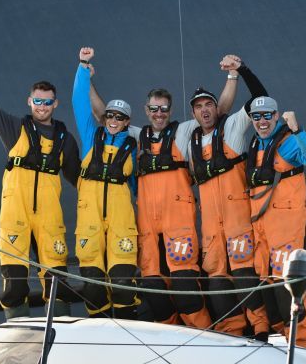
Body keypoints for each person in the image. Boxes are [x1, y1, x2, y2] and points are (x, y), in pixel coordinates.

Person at [85, 56, 240, 328]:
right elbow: (103, 114)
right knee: (152, 286)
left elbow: (218, 111)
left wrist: (232, 76)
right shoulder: (135, 134)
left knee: (185, 289)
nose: (159, 114)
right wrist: (86, 78)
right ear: (146, 110)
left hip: (178, 221)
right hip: (147, 223)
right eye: (154, 109)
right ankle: (172, 334)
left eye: (164, 109)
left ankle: (203, 334)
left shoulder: (183, 131)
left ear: (170, 111)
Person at [0, 43, 80, 319]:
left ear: (55, 103)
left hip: (50, 215)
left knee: (57, 278)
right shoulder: (14, 128)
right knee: (14, 279)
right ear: (30, 101)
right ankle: (19, 334)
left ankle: (59, 334)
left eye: (47, 101)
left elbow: (79, 180)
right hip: (16, 213)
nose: (42, 106)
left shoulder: (65, 139)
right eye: (37, 101)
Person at [188, 56, 269, 340]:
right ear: (194, 114)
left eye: (208, 104)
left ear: (217, 108)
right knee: (217, 279)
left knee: (245, 270)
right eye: (198, 107)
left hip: (237, 216)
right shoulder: (191, 139)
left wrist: (240, 71)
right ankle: (230, 332)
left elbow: (260, 99)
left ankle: (260, 326)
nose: (204, 110)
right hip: (210, 225)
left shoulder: (233, 126)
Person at [246, 96, 306, 347]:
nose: (262, 121)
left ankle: (299, 342)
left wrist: (298, 130)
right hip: (261, 226)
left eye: (267, 115)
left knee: (290, 280)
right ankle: (281, 332)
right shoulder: (254, 146)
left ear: (277, 116)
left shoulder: (289, 142)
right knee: (266, 279)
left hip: (287, 223)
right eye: (256, 116)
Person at [72, 47, 140, 319]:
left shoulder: (136, 145)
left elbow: (138, 185)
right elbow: (79, 102)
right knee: (92, 282)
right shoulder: (92, 136)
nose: (113, 120)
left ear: (127, 122)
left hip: (122, 218)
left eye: (120, 117)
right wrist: (83, 67)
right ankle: (98, 328)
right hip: (89, 217)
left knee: (123, 281)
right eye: (110, 115)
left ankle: (128, 330)